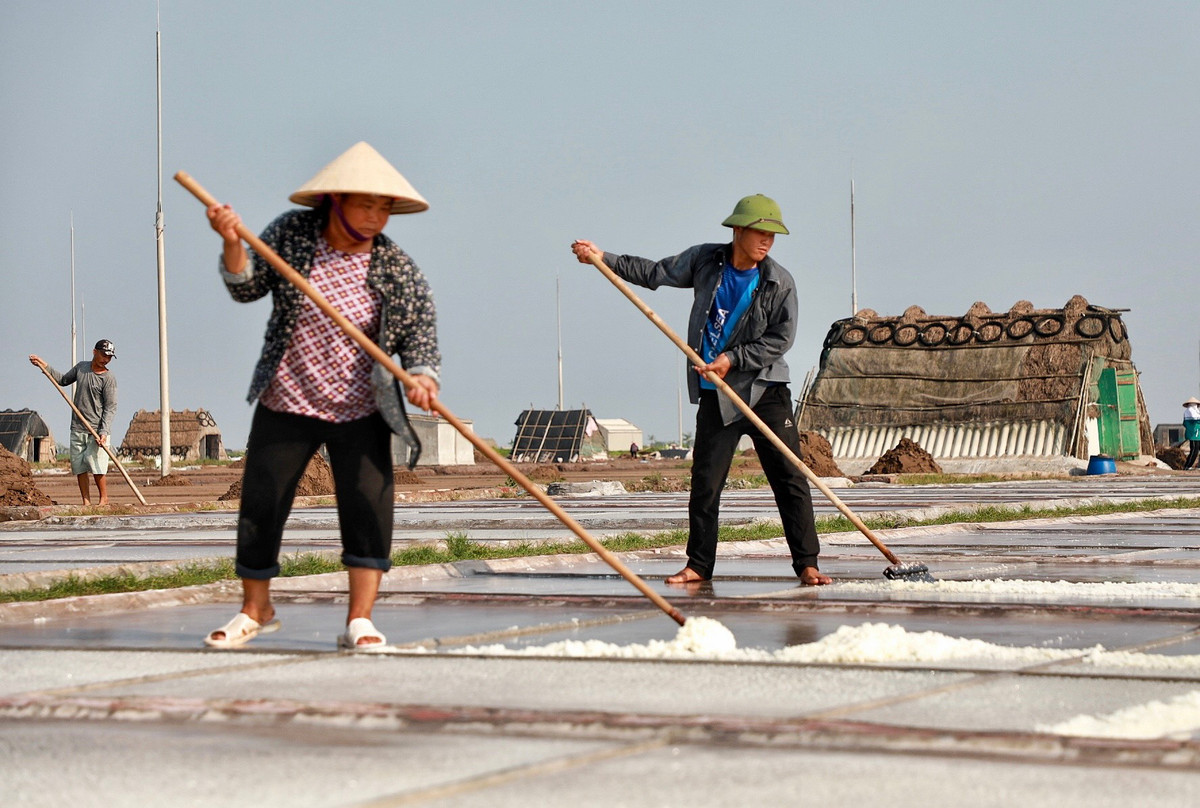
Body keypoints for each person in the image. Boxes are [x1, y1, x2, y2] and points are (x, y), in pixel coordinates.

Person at [202, 141, 441, 651]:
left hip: (363, 407)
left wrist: (422, 377)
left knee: (367, 507)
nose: (376, 217)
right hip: (288, 396)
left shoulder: (396, 268)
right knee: (261, 504)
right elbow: (246, 286)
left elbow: (420, 332)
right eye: (365, 204)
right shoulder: (292, 233)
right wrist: (230, 241)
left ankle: (360, 618)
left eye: (384, 208)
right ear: (335, 200)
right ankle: (255, 608)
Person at [572, 194, 831, 587]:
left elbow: (782, 338)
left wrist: (734, 358)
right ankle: (698, 565)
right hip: (717, 393)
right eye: (760, 232)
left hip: (765, 390)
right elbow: (655, 272)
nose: (767, 242)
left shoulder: (780, 282)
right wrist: (603, 257)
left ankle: (807, 563)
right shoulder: (706, 261)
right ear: (738, 230)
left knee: (789, 478)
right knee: (706, 482)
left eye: (772, 235)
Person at [29, 340, 118, 505]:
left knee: (98, 465)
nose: (106, 359)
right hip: (78, 427)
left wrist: (103, 432)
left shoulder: (108, 378)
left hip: (97, 430)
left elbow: (110, 408)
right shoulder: (81, 368)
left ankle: (103, 499)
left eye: (109, 357)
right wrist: (43, 365)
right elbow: (63, 380)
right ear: (95, 352)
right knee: (79, 466)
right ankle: (86, 501)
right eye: (104, 355)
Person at [1183, 397, 1200, 470]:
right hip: (1193, 433)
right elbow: (1194, 418)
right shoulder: (1189, 410)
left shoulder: (1196, 411)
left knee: (1197, 449)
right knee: (1194, 450)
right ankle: (1187, 466)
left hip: (1197, 432)